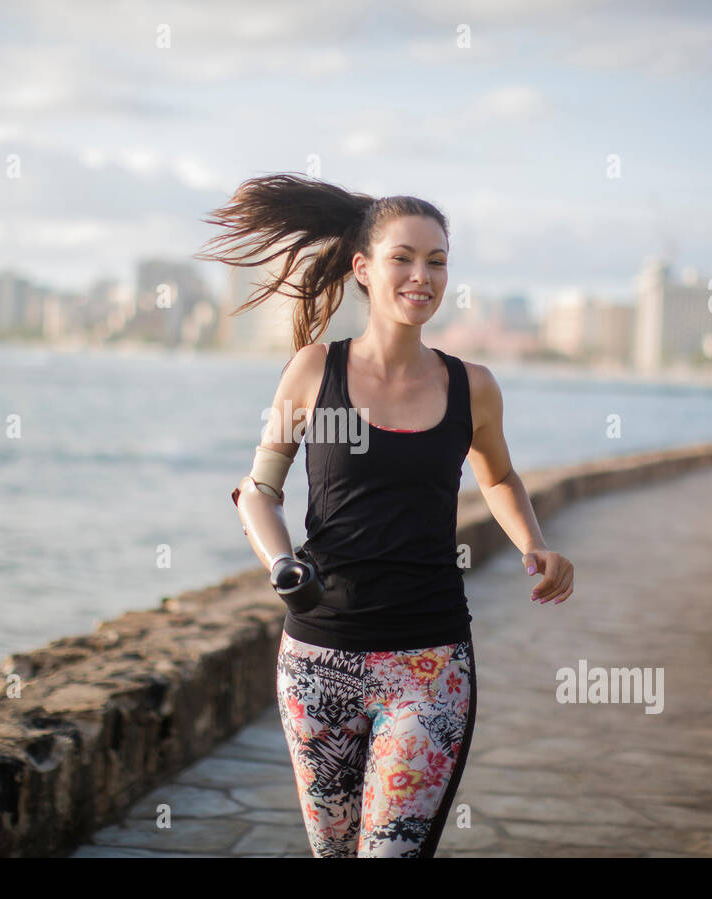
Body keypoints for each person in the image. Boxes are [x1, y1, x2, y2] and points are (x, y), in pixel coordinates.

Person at [195, 173, 575, 857]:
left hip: (428, 662)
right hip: (317, 658)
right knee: (336, 853)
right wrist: (282, 565)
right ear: (364, 269)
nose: (422, 276)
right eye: (403, 258)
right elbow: (257, 489)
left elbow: (500, 476)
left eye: (437, 261)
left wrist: (534, 543)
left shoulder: (472, 386)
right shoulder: (314, 371)